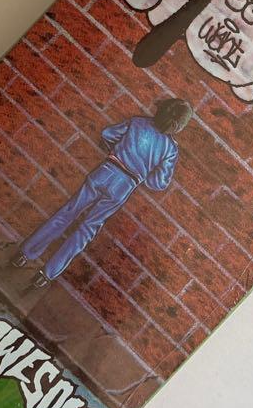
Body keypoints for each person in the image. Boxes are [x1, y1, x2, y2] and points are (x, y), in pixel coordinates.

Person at [12, 98, 194, 286]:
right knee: (88, 228)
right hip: (126, 185)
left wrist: (116, 150)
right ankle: (46, 275)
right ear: (178, 127)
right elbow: (159, 183)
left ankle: (25, 254)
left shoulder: (137, 122)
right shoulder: (170, 149)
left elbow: (108, 134)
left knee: (69, 211)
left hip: (106, 170)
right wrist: (144, 173)